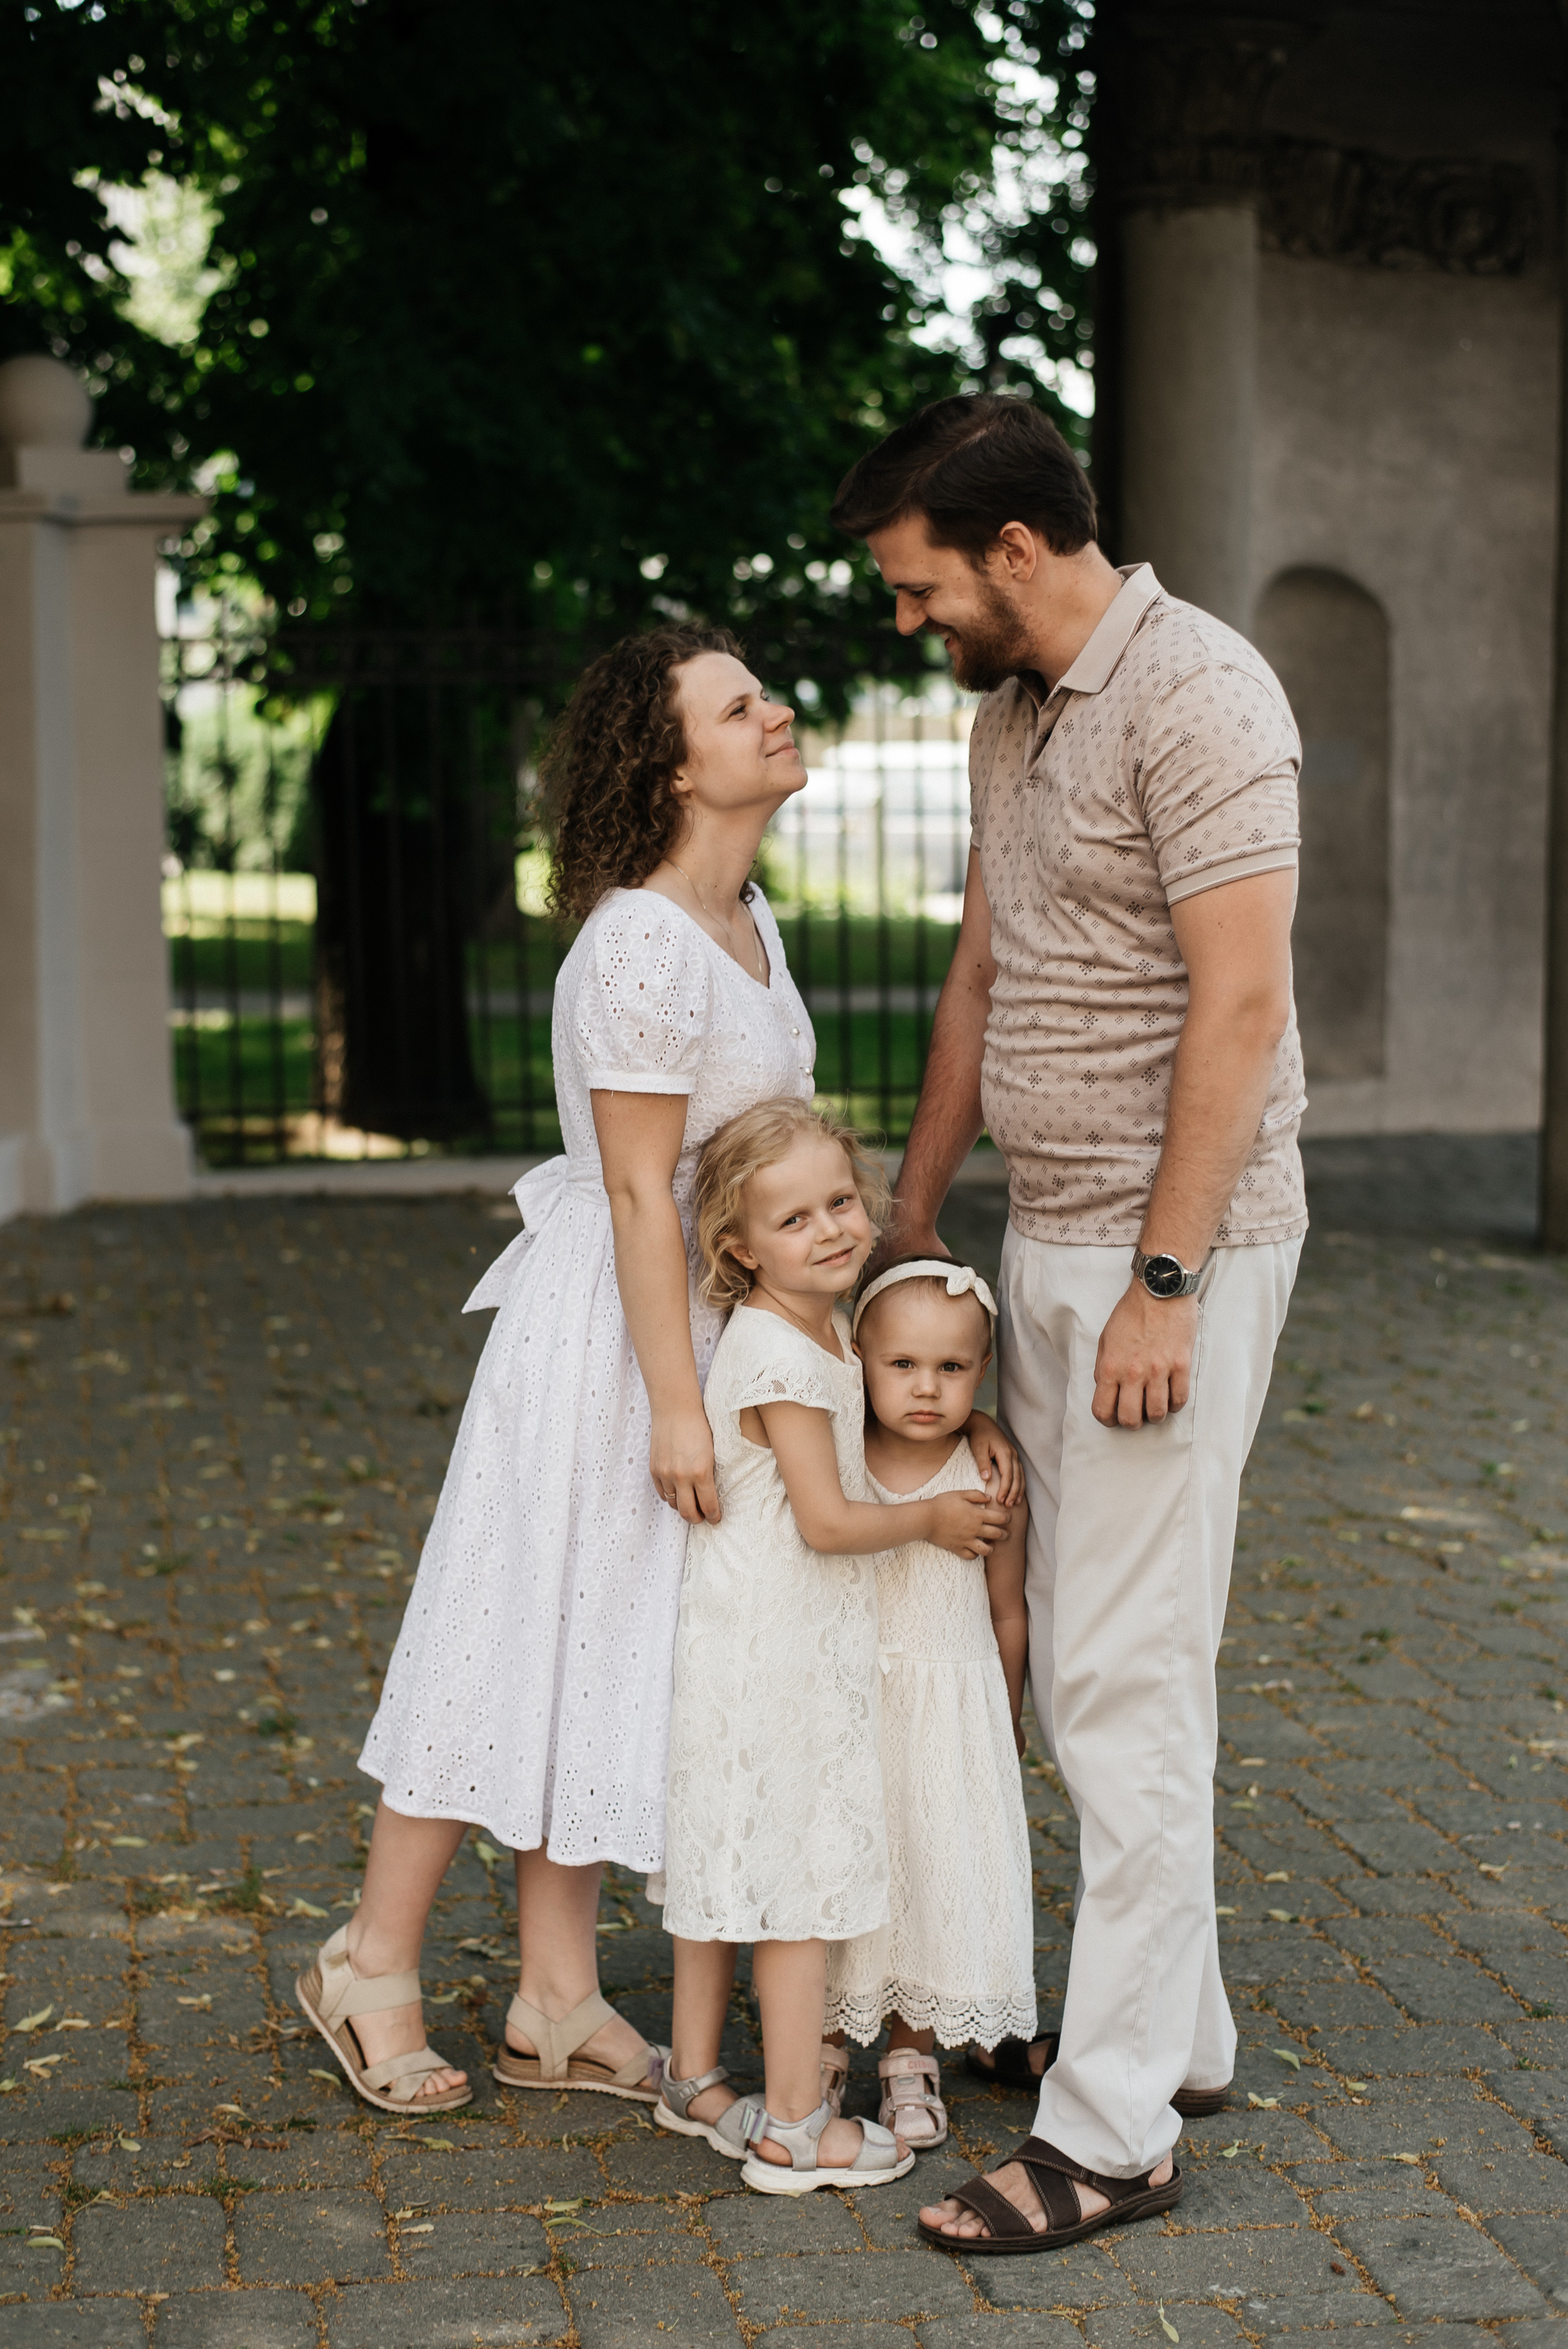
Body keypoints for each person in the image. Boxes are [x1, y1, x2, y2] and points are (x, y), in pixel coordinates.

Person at [830, 393, 1306, 2255]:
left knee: (1118, 1675)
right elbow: (983, 964)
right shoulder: (1007, 713)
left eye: (913, 581)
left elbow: (1244, 1003)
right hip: (1044, 1234)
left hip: (1167, 1258)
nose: (904, 617)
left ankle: (1113, 2132)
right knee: (1068, 1652)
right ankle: (1173, 2030)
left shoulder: (1206, 696)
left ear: (1010, 547)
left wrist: (1164, 1281)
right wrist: (911, 1203)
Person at [297, 625, 823, 2113]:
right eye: (740, 706)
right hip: (612, 1337)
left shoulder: (750, 920)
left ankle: (553, 1997)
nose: (774, 712)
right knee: (507, 1633)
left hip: (701, 1324)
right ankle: (370, 1962)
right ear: (669, 766)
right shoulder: (644, 939)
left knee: (611, 1652)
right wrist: (674, 1399)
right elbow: (643, 1190)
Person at [650, 1099, 1013, 2193]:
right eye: (796, 1218)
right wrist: (934, 1520)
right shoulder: (779, 1354)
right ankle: (798, 2128)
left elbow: (904, 1381)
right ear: (738, 1249)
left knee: (727, 1865)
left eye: (843, 1202)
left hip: (749, 1638)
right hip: (780, 1648)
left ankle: (695, 2077)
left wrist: (973, 1422)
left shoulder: (823, 1326)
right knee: (799, 1884)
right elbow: (828, 1521)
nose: (832, 1230)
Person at [821, 1257, 1035, 2151]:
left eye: (951, 1370)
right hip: (849, 1705)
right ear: (860, 1358)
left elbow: (1006, 1609)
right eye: (902, 1365)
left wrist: (1007, 1723)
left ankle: (911, 2055)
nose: (925, 1387)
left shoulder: (991, 1478)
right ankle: (824, 2043)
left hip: (946, 1715)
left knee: (927, 1867)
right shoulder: (833, 1455)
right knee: (841, 1871)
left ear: (979, 1372)